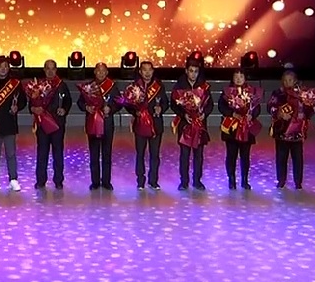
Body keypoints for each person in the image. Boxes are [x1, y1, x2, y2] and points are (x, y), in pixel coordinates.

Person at [268, 65, 315, 189]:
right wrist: (279, 113)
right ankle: (281, 180)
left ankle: (298, 182)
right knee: (281, 158)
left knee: (298, 158)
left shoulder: (302, 94)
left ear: (295, 81)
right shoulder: (278, 93)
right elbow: (270, 106)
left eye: (290, 80)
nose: (287, 82)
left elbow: (309, 111)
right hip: (281, 131)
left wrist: (308, 108)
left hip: (297, 132)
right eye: (285, 80)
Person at [0, 55, 26, 192]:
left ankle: (13, 179)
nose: (3, 69)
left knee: (11, 154)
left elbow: (23, 101)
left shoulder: (15, 83)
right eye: (0, 66)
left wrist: (17, 107)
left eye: (6, 66)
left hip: (9, 124)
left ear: (9, 68)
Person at [171, 58, 214, 190]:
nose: (193, 74)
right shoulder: (179, 86)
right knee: (184, 155)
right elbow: (173, 105)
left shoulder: (204, 86)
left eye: (196, 71)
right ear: (186, 71)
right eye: (191, 71)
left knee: (198, 155)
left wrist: (204, 114)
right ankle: (184, 182)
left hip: (199, 125)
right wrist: (183, 114)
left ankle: (197, 181)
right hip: (185, 125)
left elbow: (210, 104)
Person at [76, 62, 120, 190]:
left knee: (107, 154)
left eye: (103, 71)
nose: (101, 73)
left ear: (107, 73)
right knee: (94, 154)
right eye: (98, 71)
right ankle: (95, 181)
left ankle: (106, 181)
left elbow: (119, 102)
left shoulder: (112, 86)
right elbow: (80, 102)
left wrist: (110, 109)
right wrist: (86, 107)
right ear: (95, 72)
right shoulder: (89, 87)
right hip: (93, 123)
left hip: (107, 124)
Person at [217, 70, 262, 190]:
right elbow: (221, 106)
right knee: (231, 155)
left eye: (241, 76)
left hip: (246, 128)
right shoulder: (227, 92)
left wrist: (251, 115)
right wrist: (232, 114)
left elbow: (257, 108)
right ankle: (231, 179)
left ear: (245, 78)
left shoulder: (252, 92)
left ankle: (245, 180)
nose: (238, 79)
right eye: (236, 76)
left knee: (245, 156)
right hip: (231, 129)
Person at [33, 59, 74, 190]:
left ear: (56, 70)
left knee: (58, 153)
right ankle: (41, 180)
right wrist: (34, 109)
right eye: (48, 68)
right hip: (43, 125)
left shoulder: (61, 85)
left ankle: (58, 180)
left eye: (53, 69)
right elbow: (32, 103)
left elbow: (68, 101)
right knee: (42, 153)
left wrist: (64, 110)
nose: (50, 71)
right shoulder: (39, 86)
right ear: (44, 70)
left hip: (57, 125)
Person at [128, 60, 166, 191]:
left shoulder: (159, 86)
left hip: (155, 125)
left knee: (155, 155)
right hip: (140, 125)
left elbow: (165, 103)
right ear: (140, 71)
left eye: (150, 70)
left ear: (153, 71)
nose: (147, 73)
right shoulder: (135, 86)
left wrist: (161, 108)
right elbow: (128, 104)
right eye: (144, 70)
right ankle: (140, 181)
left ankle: (153, 181)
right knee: (140, 154)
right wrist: (135, 112)